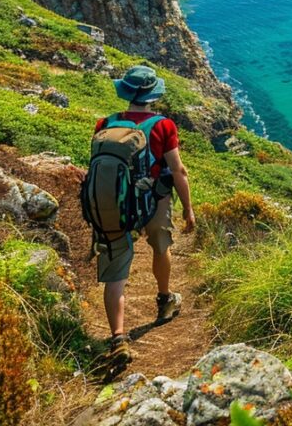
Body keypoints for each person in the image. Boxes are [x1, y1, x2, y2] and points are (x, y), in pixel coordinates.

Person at [96, 65, 196, 366]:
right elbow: (177, 170)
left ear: (126, 92)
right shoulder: (164, 125)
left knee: (116, 270)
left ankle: (118, 337)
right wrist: (188, 208)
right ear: (152, 95)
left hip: (114, 201)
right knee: (161, 245)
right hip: (155, 199)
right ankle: (165, 300)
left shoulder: (106, 122)